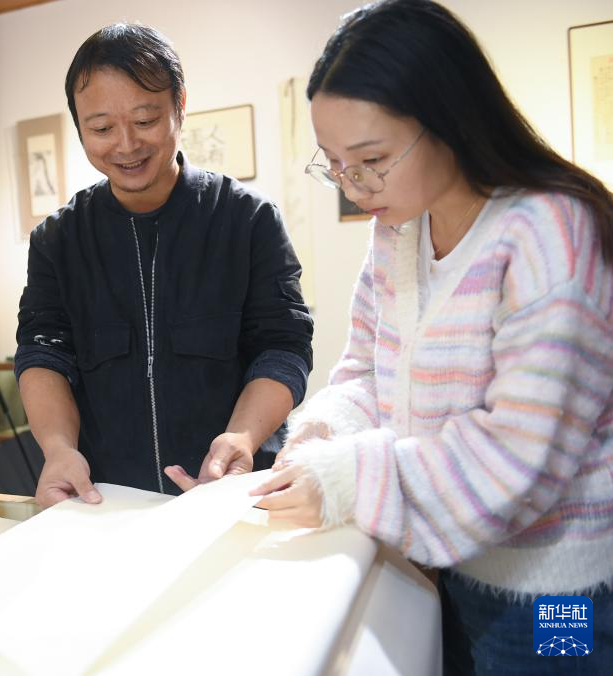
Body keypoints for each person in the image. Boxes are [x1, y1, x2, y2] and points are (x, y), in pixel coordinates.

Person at [215, 1, 611, 672]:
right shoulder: (400, 230)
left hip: (555, 591)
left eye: (371, 159)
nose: (354, 187)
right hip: (443, 560)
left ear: (449, 118)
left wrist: (346, 477)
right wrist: (321, 435)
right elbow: (368, 371)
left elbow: (518, 455)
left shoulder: (549, 232)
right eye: (336, 164)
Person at [15, 23, 314, 507]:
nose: (126, 145)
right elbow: (43, 352)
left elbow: (284, 346)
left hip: (232, 491)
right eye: (101, 129)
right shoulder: (58, 239)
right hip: (108, 500)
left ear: (180, 106)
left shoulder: (247, 220)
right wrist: (59, 449)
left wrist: (241, 437)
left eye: (145, 119)